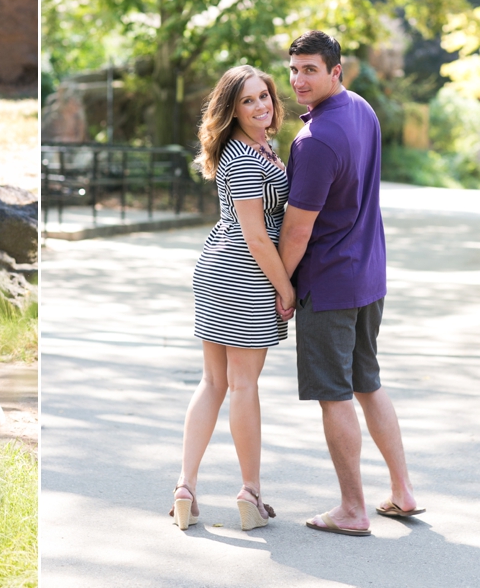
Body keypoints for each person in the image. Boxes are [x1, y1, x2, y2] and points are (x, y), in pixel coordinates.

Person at [277, 30, 424, 537]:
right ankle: (402, 492)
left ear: (336, 71)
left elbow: (297, 229)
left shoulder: (315, 141)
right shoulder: (361, 109)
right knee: (368, 382)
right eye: (294, 69)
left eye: (310, 69)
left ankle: (353, 509)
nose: (298, 79)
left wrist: (282, 287)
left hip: (330, 284)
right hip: (368, 278)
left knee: (334, 394)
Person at [171, 65, 295, 531]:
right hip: (243, 274)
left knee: (215, 383)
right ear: (231, 109)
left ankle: (186, 487)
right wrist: (286, 289)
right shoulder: (244, 156)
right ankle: (250, 491)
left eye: (264, 96)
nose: (260, 105)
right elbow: (257, 237)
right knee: (238, 385)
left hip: (222, 269)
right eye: (248, 100)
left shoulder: (264, 147)